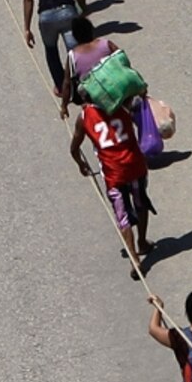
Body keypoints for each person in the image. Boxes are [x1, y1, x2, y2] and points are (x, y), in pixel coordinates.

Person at [71, 98, 152, 274]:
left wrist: (80, 164)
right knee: (140, 203)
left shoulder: (84, 117)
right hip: (135, 165)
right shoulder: (122, 105)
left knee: (122, 216)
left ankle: (134, 259)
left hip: (113, 174)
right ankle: (142, 241)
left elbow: (74, 147)